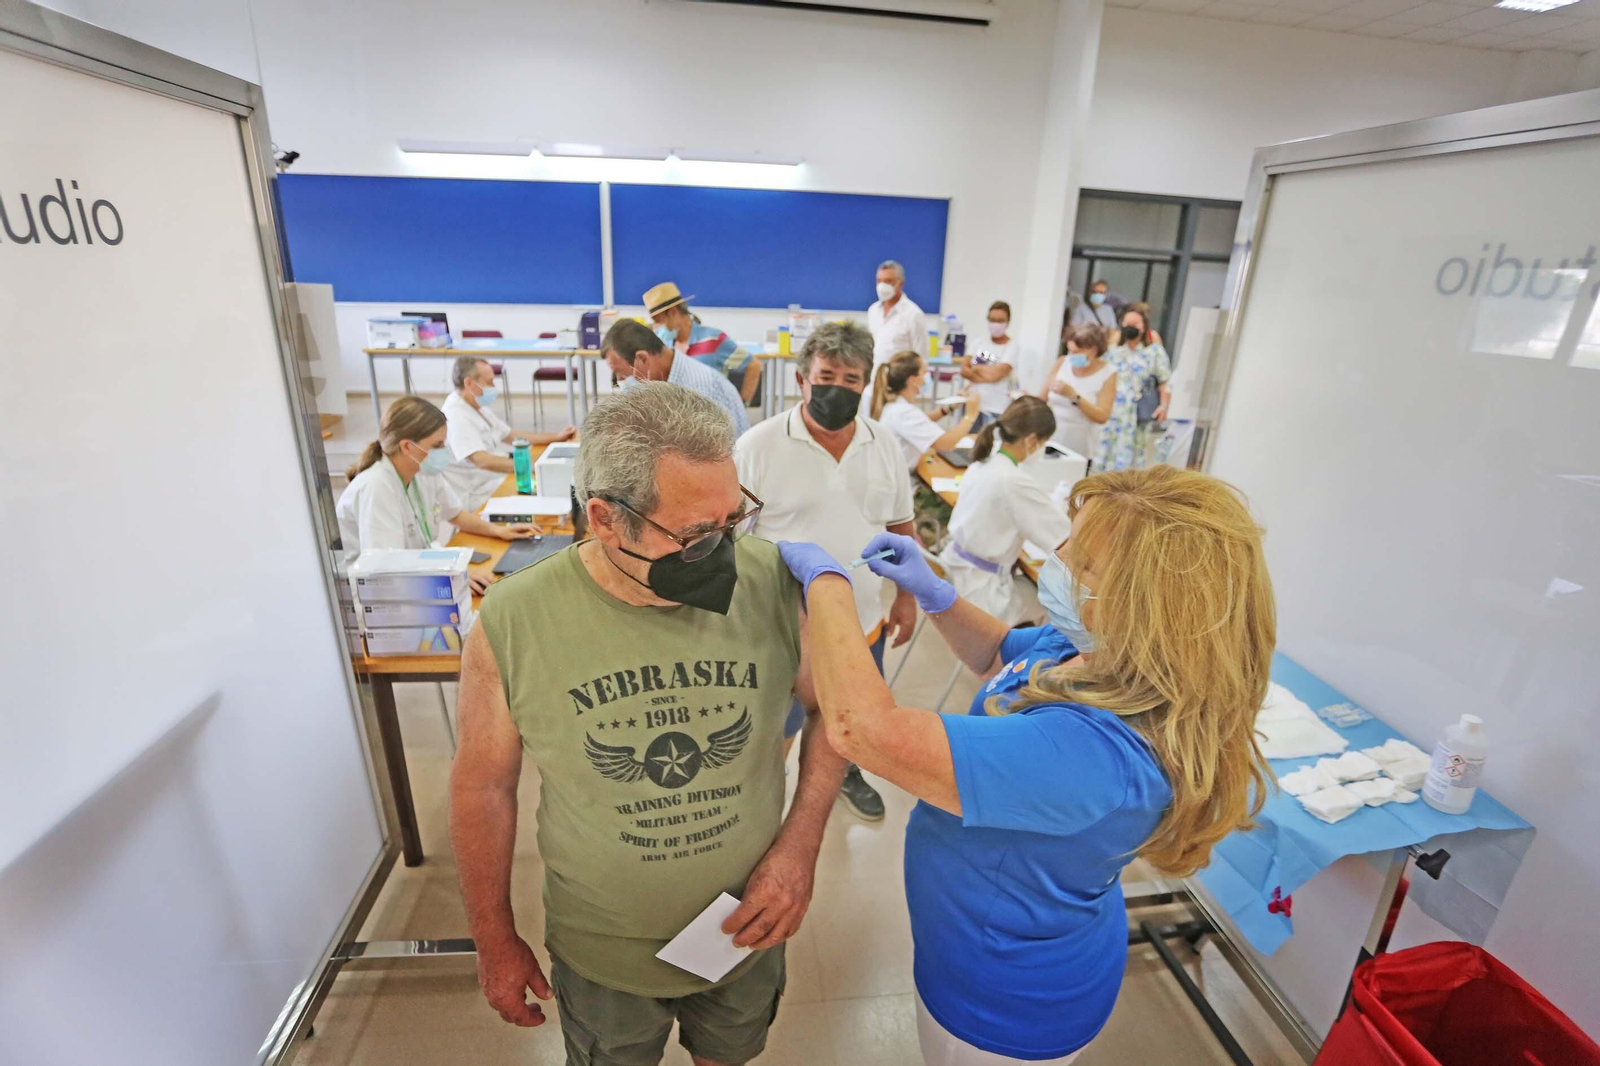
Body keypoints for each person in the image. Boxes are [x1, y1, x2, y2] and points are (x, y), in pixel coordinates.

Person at [774, 464, 1276, 1065]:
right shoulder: (1090, 644)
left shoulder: (1095, 755)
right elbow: (997, 654)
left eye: (1081, 562)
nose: (1054, 556)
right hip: (981, 933)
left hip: (1002, 1003)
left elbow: (864, 731)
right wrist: (937, 594)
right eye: (1066, 539)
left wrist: (829, 587)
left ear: (1141, 605)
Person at [450, 381, 847, 1066]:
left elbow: (834, 716)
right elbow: (483, 787)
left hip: (746, 926)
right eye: (695, 535)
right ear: (605, 519)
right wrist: (494, 934)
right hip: (603, 951)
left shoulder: (771, 584)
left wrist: (800, 847)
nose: (722, 552)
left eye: (733, 521)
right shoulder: (515, 622)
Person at [735, 321, 916, 822]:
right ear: (802, 379)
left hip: (863, 620)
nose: (837, 388)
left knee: (849, 719)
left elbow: (900, 525)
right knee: (778, 726)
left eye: (851, 378)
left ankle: (845, 774)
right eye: (827, 375)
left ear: (866, 384)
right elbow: (731, 544)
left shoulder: (884, 445)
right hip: (784, 628)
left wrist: (906, 595)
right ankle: (762, 804)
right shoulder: (757, 447)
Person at [337, 396, 536, 593]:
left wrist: (497, 531)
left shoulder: (420, 470)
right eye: (437, 445)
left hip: (415, 577)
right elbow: (386, 567)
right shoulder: (376, 487)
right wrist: (451, 577)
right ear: (407, 446)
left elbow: (456, 514)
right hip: (380, 596)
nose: (444, 452)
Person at [937, 396, 1070, 625]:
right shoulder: (1014, 481)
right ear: (1031, 441)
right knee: (1056, 604)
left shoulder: (982, 463)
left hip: (953, 575)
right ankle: (1024, 659)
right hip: (982, 594)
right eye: (1043, 443)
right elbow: (1065, 541)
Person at [442, 356, 575, 512]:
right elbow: (483, 461)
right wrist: (529, 468)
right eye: (489, 382)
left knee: (549, 483)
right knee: (549, 491)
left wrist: (555, 437)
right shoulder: (456, 416)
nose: (493, 387)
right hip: (478, 492)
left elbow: (510, 435)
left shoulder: (475, 405)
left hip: (494, 478)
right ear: (469, 383)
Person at [601, 318, 750, 436]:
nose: (622, 381)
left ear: (643, 358)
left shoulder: (699, 390)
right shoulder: (659, 380)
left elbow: (704, 457)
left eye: (622, 375)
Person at [645, 281, 762, 407]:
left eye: (658, 321)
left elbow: (753, 365)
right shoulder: (665, 346)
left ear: (673, 312)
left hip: (712, 418)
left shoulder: (713, 339)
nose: (657, 328)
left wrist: (741, 404)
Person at [870, 350, 981, 469]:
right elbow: (944, 444)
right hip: (904, 481)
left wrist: (950, 407)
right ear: (912, 380)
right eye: (924, 372)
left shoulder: (896, 406)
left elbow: (922, 420)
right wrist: (970, 415)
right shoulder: (903, 412)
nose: (927, 377)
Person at [1098, 303, 1172, 472]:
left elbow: (1164, 380)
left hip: (1138, 411)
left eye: (1136, 324)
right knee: (1106, 452)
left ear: (1144, 327)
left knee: (1135, 454)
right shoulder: (1114, 350)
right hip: (1113, 411)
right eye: (1127, 324)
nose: (1131, 328)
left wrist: (1164, 405)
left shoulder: (1154, 351)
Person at [1040, 325, 1117, 458]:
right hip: (1050, 439)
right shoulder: (1062, 362)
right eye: (1070, 351)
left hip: (1081, 444)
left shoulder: (1108, 373)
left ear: (1093, 350)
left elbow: (1102, 416)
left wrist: (1073, 396)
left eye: (1076, 352)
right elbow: (1041, 398)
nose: (1071, 356)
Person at [959, 300, 1018, 428]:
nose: (995, 324)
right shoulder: (978, 342)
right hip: (972, 403)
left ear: (1008, 321)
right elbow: (964, 370)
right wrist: (989, 371)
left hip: (996, 407)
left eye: (1000, 320)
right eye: (992, 320)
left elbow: (997, 375)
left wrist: (975, 368)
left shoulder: (1012, 347)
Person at [866, 259, 926, 370]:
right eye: (879, 281)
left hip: (900, 380)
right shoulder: (873, 311)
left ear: (900, 283)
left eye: (888, 281)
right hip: (876, 378)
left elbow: (921, 357)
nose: (882, 286)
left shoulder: (913, 315)